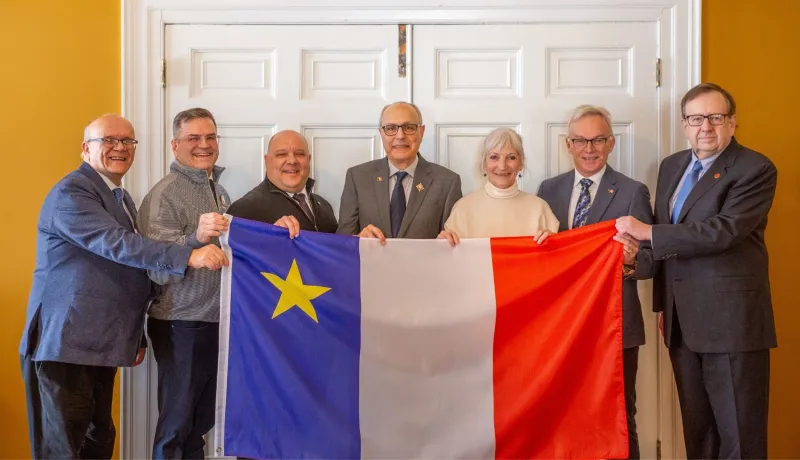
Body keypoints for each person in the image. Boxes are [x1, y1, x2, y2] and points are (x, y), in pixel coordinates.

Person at [19, 114, 227, 459]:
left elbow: (129, 275)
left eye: (127, 142)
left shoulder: (120, 197)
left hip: (100, 343)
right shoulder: (72, 192)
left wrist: (137, 336)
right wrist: (189, 256)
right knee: (62, 449)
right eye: (108, 141)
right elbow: (116, 244)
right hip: (64, 343)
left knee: (98, 441)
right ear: (86, 149)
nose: (119, 148)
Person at [616, 83, 777, 459]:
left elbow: (724, 231)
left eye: (715, 117)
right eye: (696, 118)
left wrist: (647, 232)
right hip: (681, 323)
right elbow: (663, 242)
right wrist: (637, 263)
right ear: (684, 125)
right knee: (698, 431)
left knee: (740, 435)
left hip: (732, 324)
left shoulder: (755, 168)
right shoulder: (672, 166)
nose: (706, 126)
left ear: (732, 123)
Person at [537, 105, 654, 459]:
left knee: (618, 415)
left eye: (598, 139)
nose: (590, 148)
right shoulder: (548, 189)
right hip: (563, 326)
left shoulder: (633, 192)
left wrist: (632, 260)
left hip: (615, 324)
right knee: (565, 413)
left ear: (611, 143)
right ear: (567, 144)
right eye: (581, 140)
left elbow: (652, 262)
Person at [137, 108, 231, 458]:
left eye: (210, 137)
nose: (204, 144)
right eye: (194, 138)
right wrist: (194, 238)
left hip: (215, 324)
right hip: (180, 324)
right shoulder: (164, 195)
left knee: (199, 427)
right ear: (175, 146)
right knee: (176, 428)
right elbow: (155, 267)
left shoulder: (220, 192)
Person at [337, 102, 462, 241]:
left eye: (409, 127)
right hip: (372, 263)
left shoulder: (447, 182)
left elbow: (452, 244)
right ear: (381, 133)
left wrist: (446, 243)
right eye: (391, 128)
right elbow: (342, 242)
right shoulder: (357, 177)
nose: (400, 135)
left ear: (421, 132)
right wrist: (358, 239)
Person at [437, 127, 558, 244]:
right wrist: (441, 245)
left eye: (511, 157)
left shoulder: (540, 208)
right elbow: (450, 259)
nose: (502, 166)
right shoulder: (463, 208)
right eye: (494, 157)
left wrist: (555, 244)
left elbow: (555, 260)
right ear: (484, 163)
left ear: (520, 164)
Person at [226, 129, 338, 237]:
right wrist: (271, 237)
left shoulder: (324, 205)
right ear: (267, 160)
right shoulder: (244, 209)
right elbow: (236, 255)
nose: (292, 161)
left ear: (308, 159)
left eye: (299, 154)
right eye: (281, 154)